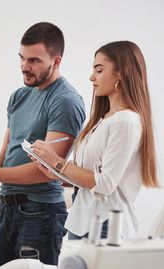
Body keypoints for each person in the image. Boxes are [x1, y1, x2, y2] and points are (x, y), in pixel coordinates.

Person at [0, 22, 86, 269]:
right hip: (7, 208)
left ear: (56, 61)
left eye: (34, 60)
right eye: (22, 58)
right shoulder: (19, 96)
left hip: (41, 214)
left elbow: (46, 170)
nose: (25, 67)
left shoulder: (65, 101)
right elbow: (6, 153)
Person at [30, 41, 159, 239]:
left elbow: (105, 184)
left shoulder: (125, 121)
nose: (92, 77)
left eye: (99, 70)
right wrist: (55, 172)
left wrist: (58, 162)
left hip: (106, 226)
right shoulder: (104, 119)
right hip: (84, 222)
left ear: (121, 73)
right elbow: (89, 177)